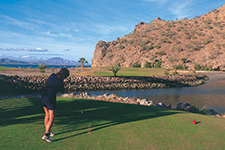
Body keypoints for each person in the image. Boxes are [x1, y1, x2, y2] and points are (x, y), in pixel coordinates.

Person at [40, 68, 70, 143]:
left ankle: (48, 130)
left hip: (43, 96)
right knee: (52, 117)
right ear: (64, 76)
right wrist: (63, 82)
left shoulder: (52, 75)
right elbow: (62, 90)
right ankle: (46, 135)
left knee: (47, 115)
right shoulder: (60, 82)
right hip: (50, 99)